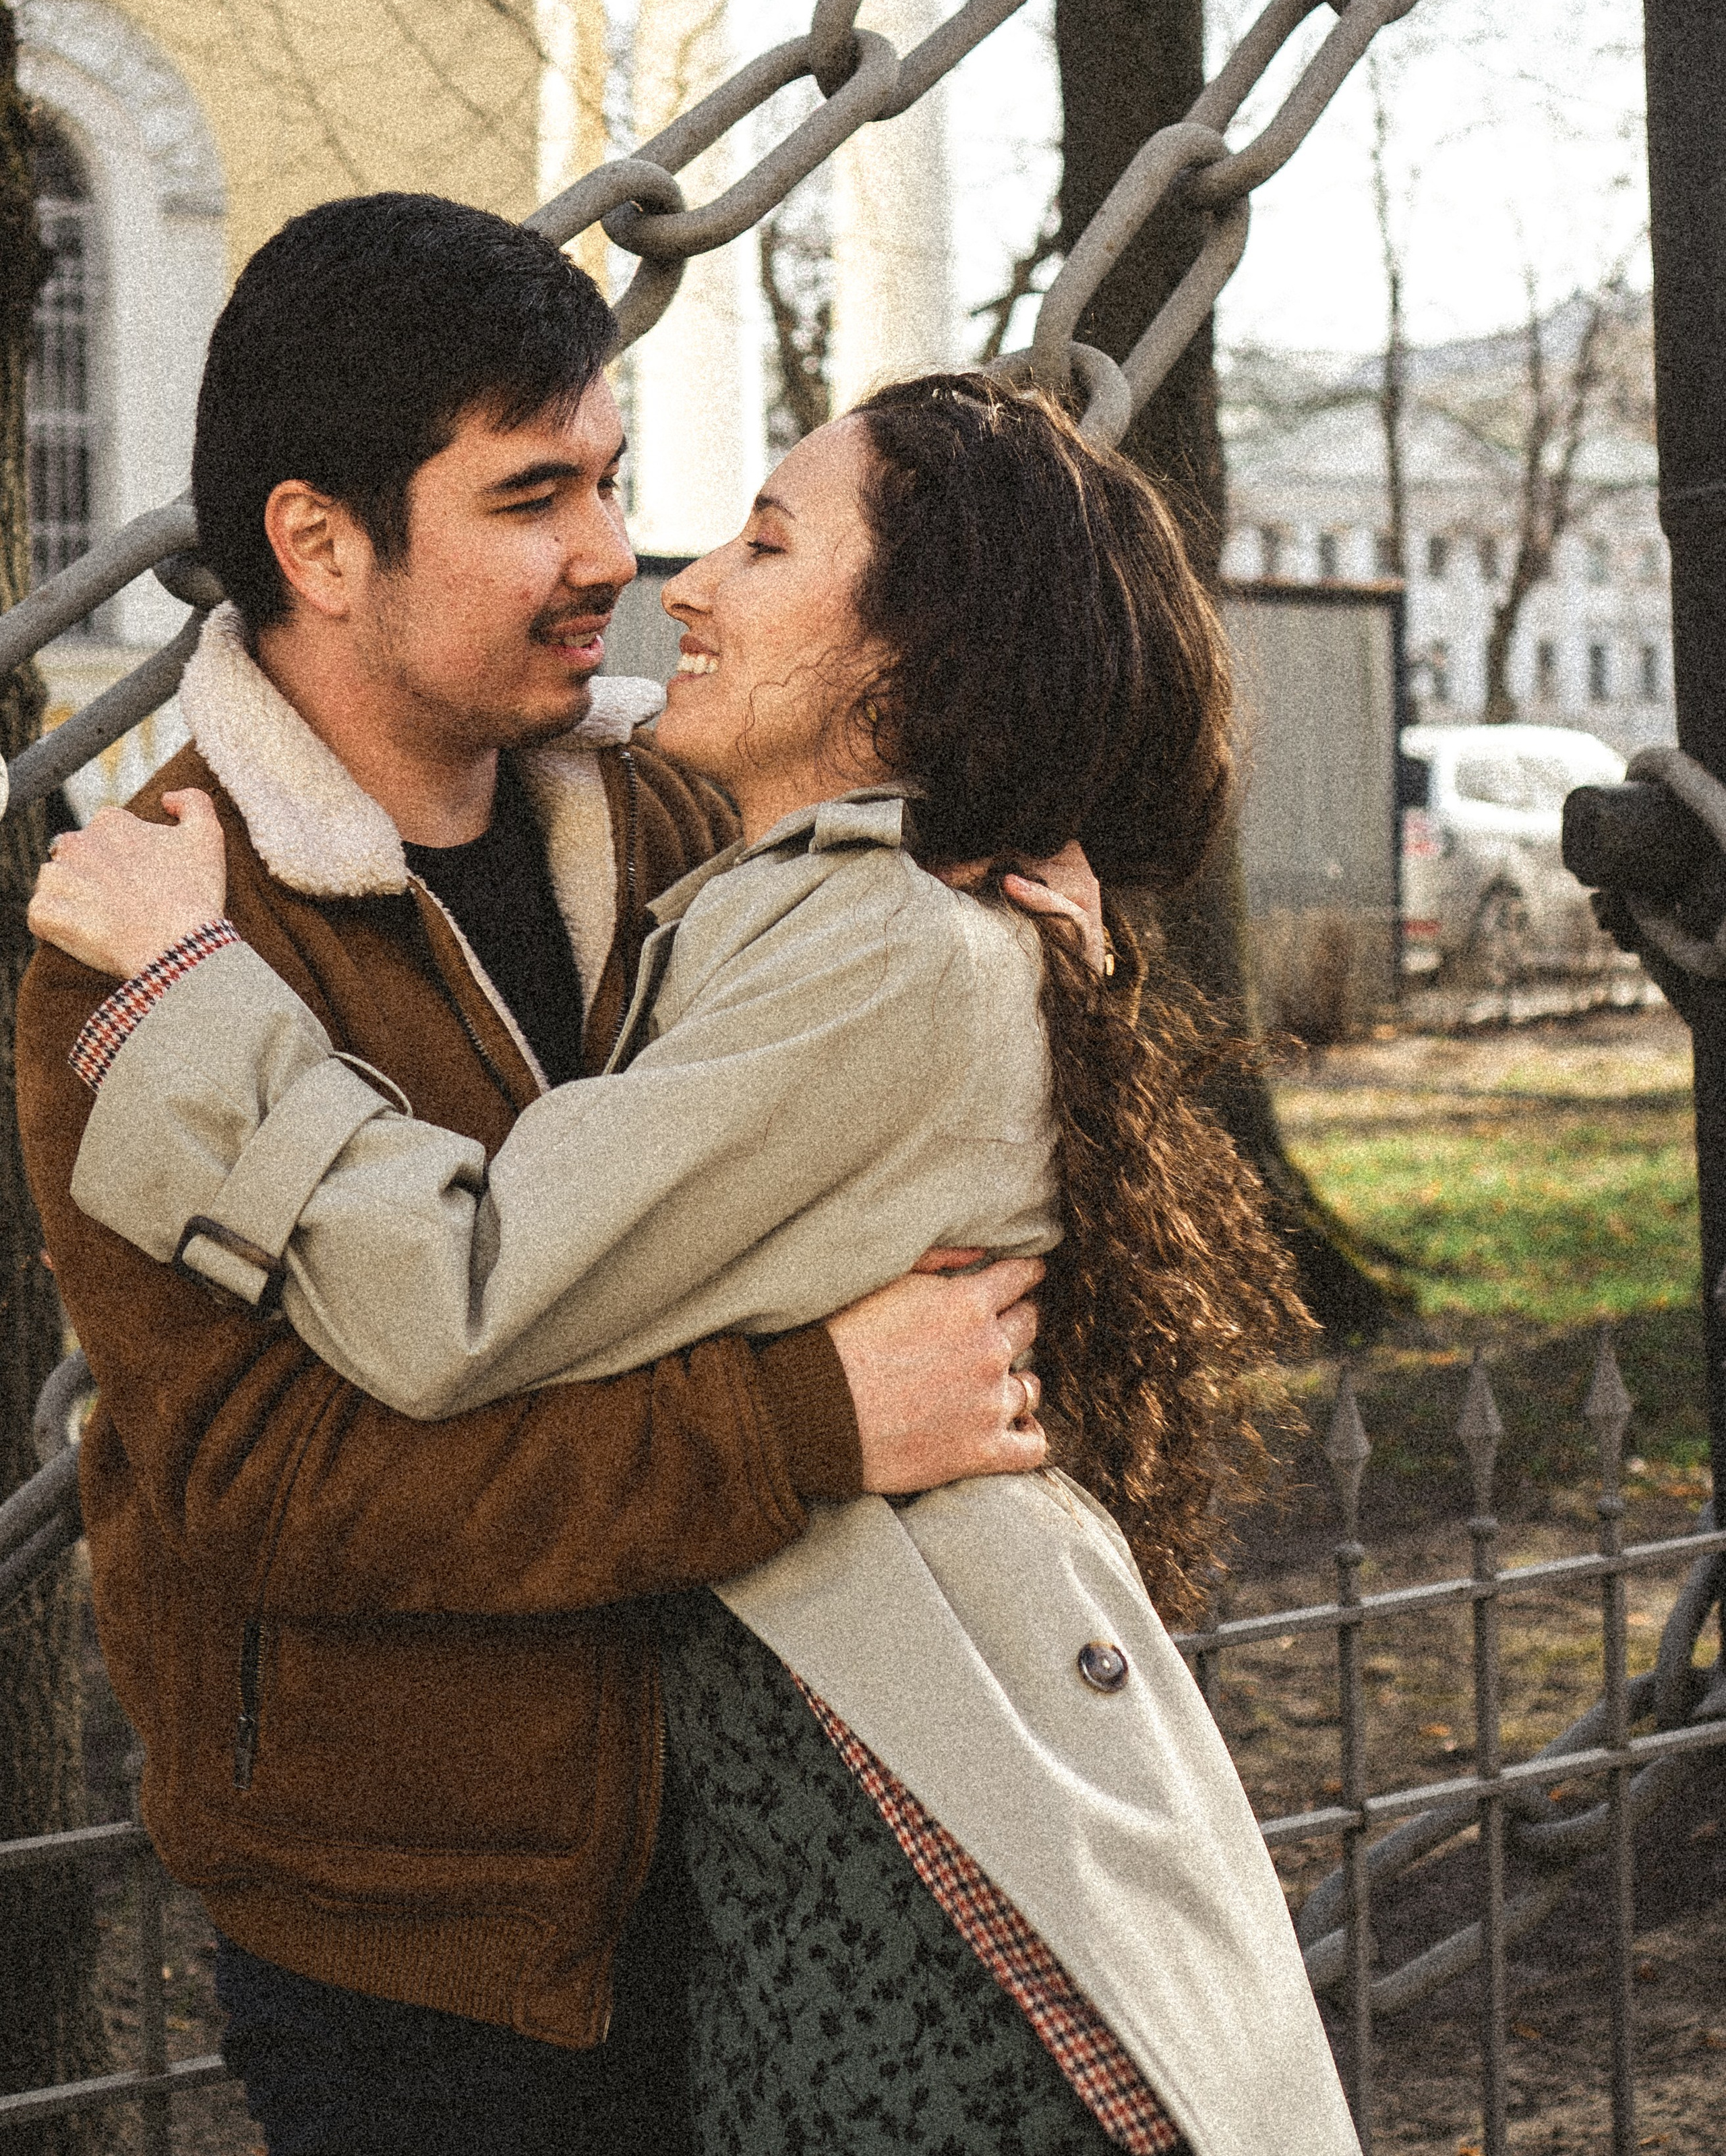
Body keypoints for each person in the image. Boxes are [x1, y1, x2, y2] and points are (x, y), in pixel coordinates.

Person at [33, 372, 1359, 2156]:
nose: (670, 579)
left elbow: (467, 1290)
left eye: (761, 538)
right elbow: (270, 1475)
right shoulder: (818, 874)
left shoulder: (887, 935)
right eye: (535, 498)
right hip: (776, 1823)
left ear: (910, 659)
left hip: (910, 1839)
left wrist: (193, 1000)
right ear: (319, 543)